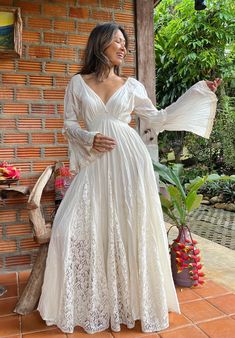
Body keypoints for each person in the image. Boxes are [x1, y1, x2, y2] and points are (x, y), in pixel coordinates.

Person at [38, 22, 221, 334]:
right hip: (97, 162)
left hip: (130, 163)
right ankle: (96, 303)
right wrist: (88, 136)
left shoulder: (132, 85)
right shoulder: (77, 83)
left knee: (130, 226)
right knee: (72, 228)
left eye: (125, 42)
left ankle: (134, 303)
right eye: (116, 42)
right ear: (100, 45)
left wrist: (197, 93)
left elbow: (159, 117)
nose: (123, 47)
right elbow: (68, 123)